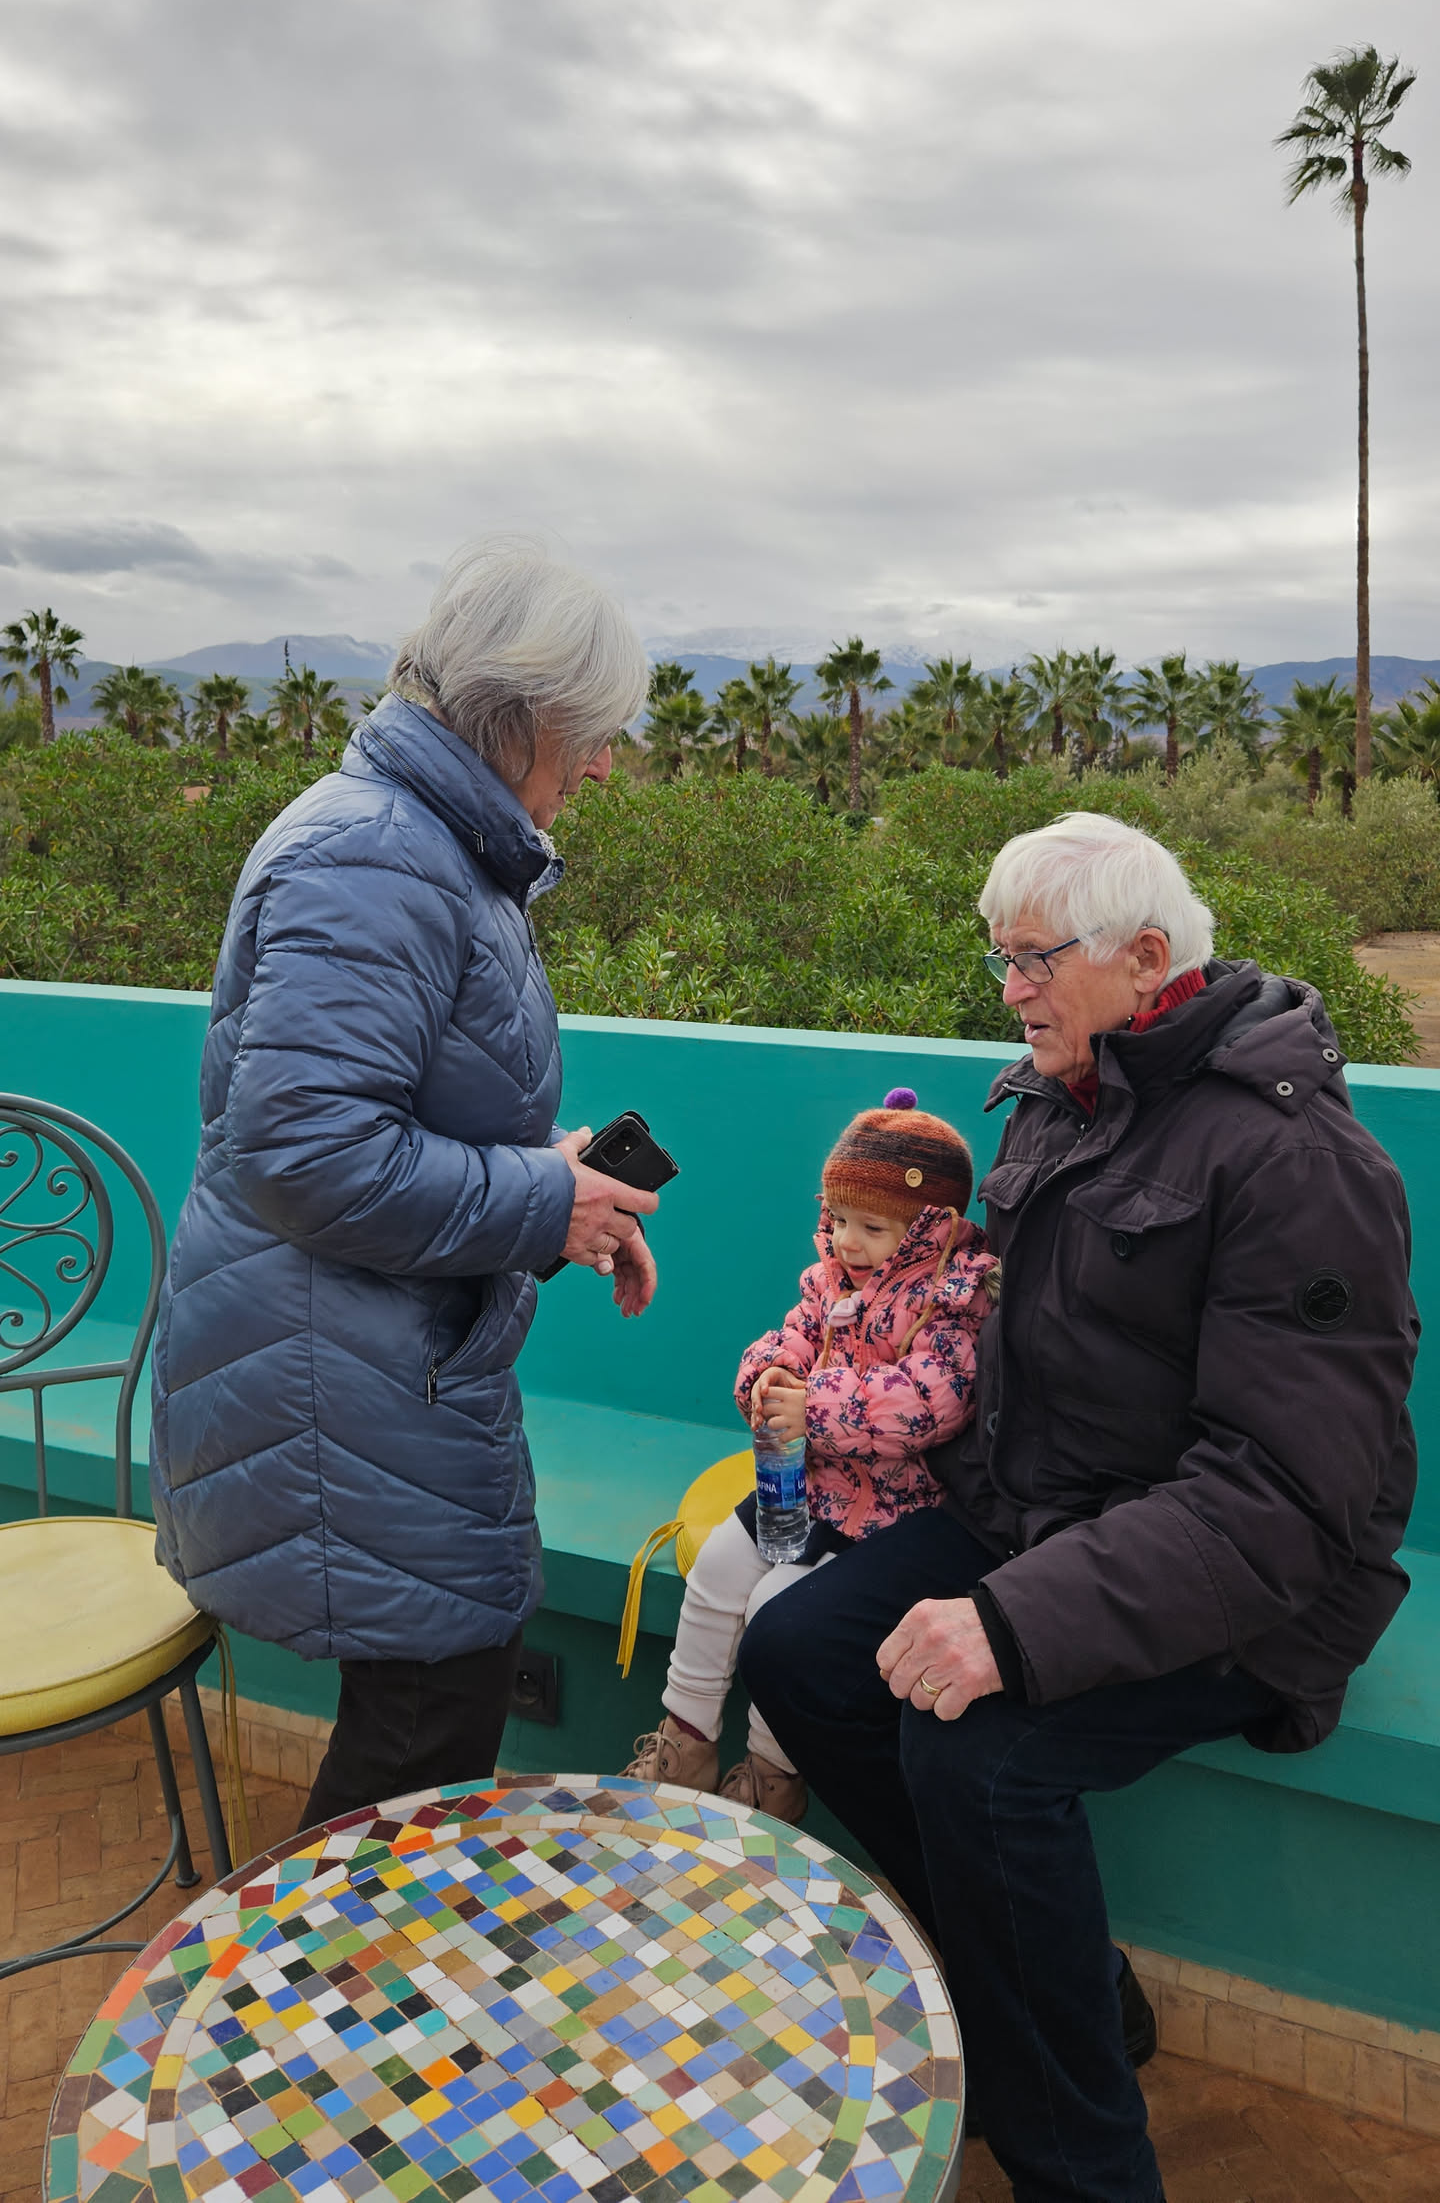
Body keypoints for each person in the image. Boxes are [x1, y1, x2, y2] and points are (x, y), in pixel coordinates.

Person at [740, 812, 1419, 2203]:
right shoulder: (1066, 1093)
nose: (1011, 990)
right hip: (1043, 1517)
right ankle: (1062, 1984)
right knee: (798, 1649)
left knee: (980, 1759)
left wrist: (1011, 1621)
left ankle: (1084, 2164)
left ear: (1146, 958)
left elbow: (1287, 1496)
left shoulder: (1297, 1164)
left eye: (1034, 959)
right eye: (1001, 958)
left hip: (1249, 1586)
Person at [151, 537, 662, 1830]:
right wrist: (543, 1201)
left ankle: (353, 1954)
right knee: (423, 1737)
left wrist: (562, 1186)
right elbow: (306, 1151)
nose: (605, 764)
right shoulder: (373, 857)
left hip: (378, 1368)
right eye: (594, 730)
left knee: (426, 1719)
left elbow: (398, 1110)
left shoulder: (426, 844)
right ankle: (303, 1963)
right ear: (522, 711)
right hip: (341, 1382)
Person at [628, 1091, 997, 1821]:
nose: (847, 1242)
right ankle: (686, 1740)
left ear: (930, 1229)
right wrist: (767, 1376)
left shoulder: (952, 1301)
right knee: (718, 1572)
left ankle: (774, 1775)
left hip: (884, 1514)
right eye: (838, 1219)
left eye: (872, 1227)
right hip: (802, 1488)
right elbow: (790, 1338)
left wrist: (817, 1407)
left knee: (778, 1611)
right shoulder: (831, 1280)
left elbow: (932, 1400)